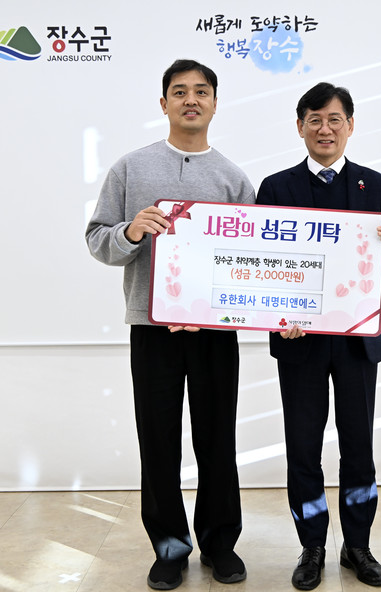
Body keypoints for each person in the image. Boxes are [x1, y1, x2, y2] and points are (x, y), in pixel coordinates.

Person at [86, 59, 254, 590]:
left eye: (201, 91)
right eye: (179, 92)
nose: (191, 100)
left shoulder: (233, 178)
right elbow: (97, 240)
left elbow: (248, 262)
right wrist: (131, 231)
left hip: (215, 332)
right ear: (163, 104)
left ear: (215, 103)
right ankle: (169, 547)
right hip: (151, 326)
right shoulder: (130, 169)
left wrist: (215, 309)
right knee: (158, 441)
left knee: (216, 439)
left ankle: (220, 544)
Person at [256, 82, 381, 590]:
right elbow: (261, 266)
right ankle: (312, 547)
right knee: (303, 448)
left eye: (335, 119)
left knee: (358, 446)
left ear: (350, 126)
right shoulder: (276, 188)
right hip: (298, 339)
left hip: (357, 340)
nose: (325, 129)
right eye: (315, 120)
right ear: (300, 126)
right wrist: (278, 312)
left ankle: (357, 546)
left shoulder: (377, 185)